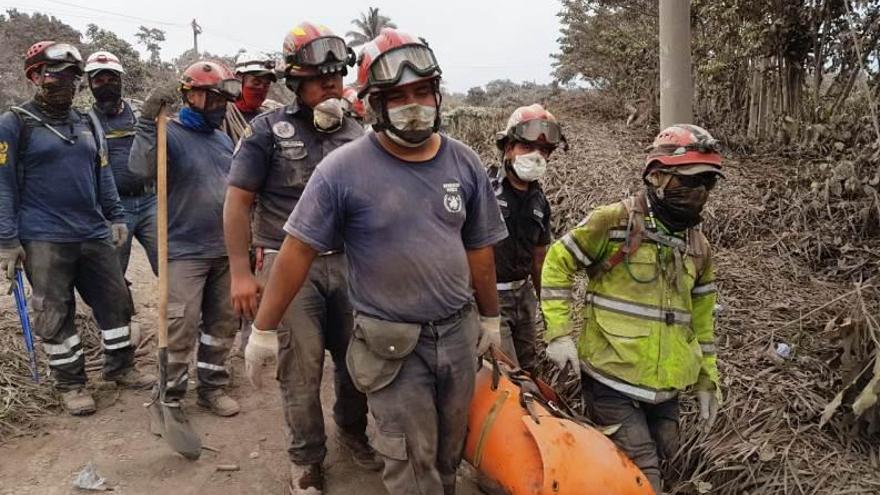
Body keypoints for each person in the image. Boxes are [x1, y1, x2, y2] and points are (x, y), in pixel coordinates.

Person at [252, 28, 508, 495]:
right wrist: (263, 330)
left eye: (422, 91)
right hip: (392, 345)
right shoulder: (343, 169)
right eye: (398, 96)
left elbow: (480, 249)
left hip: (456, 337)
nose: (414, 103)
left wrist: (490, 320)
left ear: (437, 92)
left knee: (449, 453)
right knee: (410, 464)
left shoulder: (464, 163)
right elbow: (296, 251)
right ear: (374, 104)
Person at [224, 22, 378, 494]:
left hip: (350, 263)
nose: (332, 83)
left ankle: (352, 431)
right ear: (294, 81)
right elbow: (237, 202)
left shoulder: (359, 133)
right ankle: (306, 457)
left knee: (358, 361)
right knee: (301, 368)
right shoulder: (268, 132)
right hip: (289, 267)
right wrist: (241, 273)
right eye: (319, 77)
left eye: (337, 74)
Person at [540, 124, 723, 492]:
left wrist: (707, 379)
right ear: (656, 176)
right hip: (611, 379)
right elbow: (557, 263)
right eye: (688, 181)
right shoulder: (612, 222)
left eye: (707, 182)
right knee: (643, 471)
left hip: (667, 387)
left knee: (672, 456)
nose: (699, 192)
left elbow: (701, 324)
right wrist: (559, 334)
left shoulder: (699, 247)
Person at [0, 41, 153, 415]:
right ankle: (71, 383)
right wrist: (6, 240)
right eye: (56, 74)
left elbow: (102, 172)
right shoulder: (14, 123)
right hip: (43, 236)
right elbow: (2, 182)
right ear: (35, 76)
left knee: (116, 300)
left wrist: (116, 216)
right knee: (55, 310)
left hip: (92, 230)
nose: (66, 83)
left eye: (72, 76)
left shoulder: (86, 122)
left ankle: (121, 367)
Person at [129, 60, 242, 417]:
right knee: (180, 325)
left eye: (224, 100)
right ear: (191, 95)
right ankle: (171, 395)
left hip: (223, 248)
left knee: (222, 323)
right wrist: (147, 123)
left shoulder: (222, 139)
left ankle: (213, 386)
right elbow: (139, 170)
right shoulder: (169, 133)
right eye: (214, 99)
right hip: (184, 251)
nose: (221, 107)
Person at [490, 104, 565, 372]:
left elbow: (540, 259)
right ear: (509, 148)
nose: (536, 156)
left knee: (530, 366)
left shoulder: (540, 201)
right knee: (506, 371)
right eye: (527, 147)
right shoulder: (486, 192)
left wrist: (549, 310)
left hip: (524, 297)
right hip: (491, 299)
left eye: (543, 151)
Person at [84, 50, 158, 276]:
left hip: (150, 202)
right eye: (99, 80)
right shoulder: (87, 122)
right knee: (111, 276)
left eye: (112, 79)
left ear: (121, 81)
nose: (106, 85)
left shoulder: (141, 112)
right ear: (90, 84)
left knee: (169, 264)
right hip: (114, 210)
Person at [222, 51, 282, 143]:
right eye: (256, 82)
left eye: (266, 84)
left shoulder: (271, 115)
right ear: (239, 79)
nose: (261, 88)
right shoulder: (222, 115)